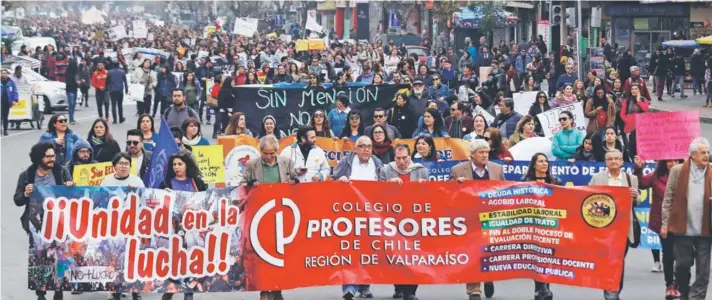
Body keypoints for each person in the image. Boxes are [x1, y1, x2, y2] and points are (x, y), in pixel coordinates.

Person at [14, 142, 74, 300]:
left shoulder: (61, 171)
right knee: (40, 257)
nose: (51, 159)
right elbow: (18, 200)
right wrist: (26, 194)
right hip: (37, 224)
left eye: (53, 156)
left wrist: (70, 186)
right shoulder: (27, 175)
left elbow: (73, 195)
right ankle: (41, 292)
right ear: (38, 158)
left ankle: (58, 289)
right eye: (48, 156)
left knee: (59, 256)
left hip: (59, 222)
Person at [243, 135, 298, 300]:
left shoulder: (286, 162)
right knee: (262, 253)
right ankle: (265, 289)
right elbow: (242, 186)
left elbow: (295, 182)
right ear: (260, 151)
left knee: (279, 253)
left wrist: (294, 182)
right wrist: (251, 185)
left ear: (277, 151)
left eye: (272, 153)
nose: (268, 157)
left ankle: (277, 287)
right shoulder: (252, 165)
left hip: (281, 215)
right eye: (265, 153)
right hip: (260, 215)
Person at [451, 139, 503, 300]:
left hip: (491, 218)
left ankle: (488, 277)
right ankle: (473, 289)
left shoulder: (497, 169)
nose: (484, 155)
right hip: (469, 219)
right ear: (472, 155)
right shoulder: (458, 170)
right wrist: (455, 184)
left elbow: (504, 191)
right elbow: (446, 193)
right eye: (481, 152)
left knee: (488, 252)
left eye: (486, 152)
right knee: (472, 253)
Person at [332, 136, 382, 300]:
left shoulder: (377, 162)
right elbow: (333, 180)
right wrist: (340, 180)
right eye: (362, 146)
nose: (366, 149)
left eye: (369, 146)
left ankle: (364, 286)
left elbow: (384, 183)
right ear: (355, 148)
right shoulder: (346, 162)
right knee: (349, 249)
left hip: (370, 213)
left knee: (368, 250)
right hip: (349, 213)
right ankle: (349, 286)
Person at [661, 137, 712, 300]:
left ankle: (697, 297)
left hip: (705, 230)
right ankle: (684, 293)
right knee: (682, 266)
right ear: (692, 155)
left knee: (703, 271)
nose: (706, 155)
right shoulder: (678, 170)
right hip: (683, 229)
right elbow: (668, 197)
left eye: (708, 152)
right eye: (702, 152)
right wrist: (665, 224)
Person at [589, 149, 641, 300]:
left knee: (618, 260)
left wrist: (636, 195)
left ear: (621, 161)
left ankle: (614, 289)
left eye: (616, 159)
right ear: (605, 162)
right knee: (608, 259)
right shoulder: (597, 178)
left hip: (623, 227)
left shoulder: (631, 179)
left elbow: (637, 201)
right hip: (603, 228)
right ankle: (610, 290)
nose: (613, 161)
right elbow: (587, 199)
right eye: (610, 159)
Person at [378, 144, 428, 300]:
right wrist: (388, 185)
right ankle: (398, 286)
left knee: (413, 255)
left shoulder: (421, 170)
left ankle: (411, 291)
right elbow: (376, 193)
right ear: (394, 158)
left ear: (410, 157)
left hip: (414, 219)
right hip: (393, 218)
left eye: (404, 158)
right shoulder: (386, 170)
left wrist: (424, 188)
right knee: (396, 255)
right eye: (398, 158)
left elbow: (430, 196)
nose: (401, 162)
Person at [634, 155, 683, 299]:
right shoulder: (657, 176)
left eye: (676, 161)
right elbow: (641, 184)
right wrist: (638, 167)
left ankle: (679, 284)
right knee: (668, 255)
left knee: (682, 257)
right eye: (669, 160)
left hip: (683, 222)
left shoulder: (687, 176)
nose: (673, 163)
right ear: (664, 162)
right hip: (664, 223)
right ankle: (670, 286)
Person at [522, 153, 559, 300]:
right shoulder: (525, 182)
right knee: (535, 258)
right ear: (534, 164)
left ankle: (544, 287)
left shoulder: (556, 181)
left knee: (546, 256)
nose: (544, 164)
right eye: (541, 161)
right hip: (531, 227)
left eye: (546, 161)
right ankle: (540, 288)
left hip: (550, 225)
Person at [1, 69, 19, 136]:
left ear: (7, 74)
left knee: (5, 116)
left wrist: (15, 99)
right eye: (2, 73)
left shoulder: (11, 82)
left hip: (7, 102)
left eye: (5, 73)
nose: (3, 75)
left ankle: (5, 130)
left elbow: (15, 91)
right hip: (1, 101)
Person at [64, 60, 79, 125]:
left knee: (73, 105)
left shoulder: (75, 73)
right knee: (71, 104)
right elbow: (69, 82)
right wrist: (76, 82)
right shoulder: (68, 73)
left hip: (74, 89)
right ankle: (71, 119)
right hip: (70, 90)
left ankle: (72, 118)